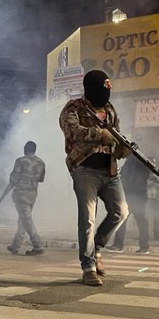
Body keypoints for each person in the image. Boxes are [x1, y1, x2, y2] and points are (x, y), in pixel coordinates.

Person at [59, 70, 130, 286]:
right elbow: (71, 131)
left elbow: (115, 136)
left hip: (109, 171)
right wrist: (100, 134)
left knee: (121, 212)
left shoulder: (110, 110)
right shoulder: (74, 108)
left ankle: (98, 247)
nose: (105, 95)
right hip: (85, 170)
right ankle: (88, 267)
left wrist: (122, 148)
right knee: (87, 220)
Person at [6, 141, 46, 256]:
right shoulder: (41, 162)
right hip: (32, 194)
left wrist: (10, 186)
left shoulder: (20, 161)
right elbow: (41, 179)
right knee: (23, 219)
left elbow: (14, 178)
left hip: (21, 193)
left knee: (26, 219)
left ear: (26, 149)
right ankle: (15, 246)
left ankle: (38, 245)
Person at [105, 155, 150, 254]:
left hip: (132, 195)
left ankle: (118, 245)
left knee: (123, 219)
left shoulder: (132, 162)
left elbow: (128, 178)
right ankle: (144, 246)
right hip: (138, 195)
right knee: (141, 221)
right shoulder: (141, 162)